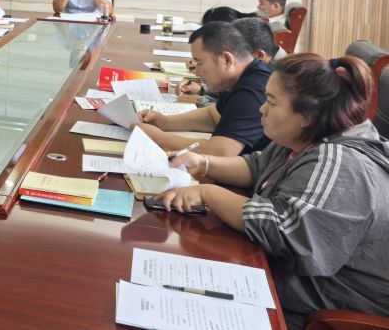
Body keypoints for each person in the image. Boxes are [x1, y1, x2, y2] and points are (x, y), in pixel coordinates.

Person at [161, 54, 389, 330]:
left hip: (328, 300)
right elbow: (259, 166)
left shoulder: (340, 163)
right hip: (289, 275)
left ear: (306, 115)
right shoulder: (311, 134)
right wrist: (204, 163)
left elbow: (282, 229)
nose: (262, 109)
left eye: (271, 102)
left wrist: (209, 194)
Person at [137, 21, 272, 156]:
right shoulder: (245, 76)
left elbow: (220, 151)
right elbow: (212, 116)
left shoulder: (254, 90)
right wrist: (164, 122)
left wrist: (158, 138)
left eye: (199, 62)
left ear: (226, 60)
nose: (196, 72)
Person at [179, 15, 281, 100]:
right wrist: (202, 90)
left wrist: (201, 99)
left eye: (240, 50)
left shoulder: (276, 80)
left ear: (259, 56)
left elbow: (236, 104)